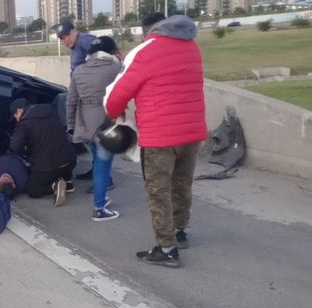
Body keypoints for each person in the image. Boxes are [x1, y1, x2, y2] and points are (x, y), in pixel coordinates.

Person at [104, 13, 207, 267]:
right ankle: (180, 232)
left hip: (161, 137)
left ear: (146, 31)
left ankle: (166, 247)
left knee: (158, 191)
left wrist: (113, 111)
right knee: (182, 184)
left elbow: (117, 95)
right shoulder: (192, 46)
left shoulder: (146, 50)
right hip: (192, 133)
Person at [66, 36, 122, 222]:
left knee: (98, 162)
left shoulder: (78, 71)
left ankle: (101, 199)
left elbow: (71, 101)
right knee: (102, 166)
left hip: (84, 126)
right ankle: (99, 208)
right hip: (107, 124)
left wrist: (71, 126)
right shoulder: (116, 68)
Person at [9, 99, 77, 207]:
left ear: (19, 111)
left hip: (49, 167)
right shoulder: (51, 110)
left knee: (32, 190)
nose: (16, 120)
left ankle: (54, 186)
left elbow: (14, 146)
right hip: (70, 160)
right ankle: (67, 181)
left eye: (15, 116)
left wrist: (26, 159)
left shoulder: (24, 124)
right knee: (60, 157)